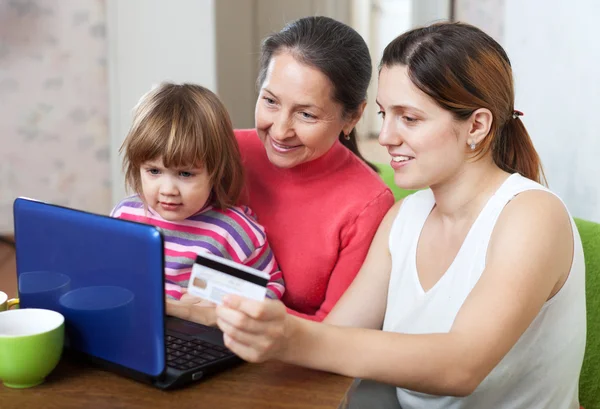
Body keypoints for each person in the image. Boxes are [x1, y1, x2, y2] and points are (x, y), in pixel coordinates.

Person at [212, 22, 586, 409]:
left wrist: (294, 336)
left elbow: (461, 366)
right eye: (383, 113)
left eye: (409, 118)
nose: (387, 136)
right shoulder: (404, 218)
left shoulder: (532, 216)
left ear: (477, 125)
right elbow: (336, 337)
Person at [234, 16, 395, 321]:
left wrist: (225, 314)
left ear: (352, 117)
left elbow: (334, 333)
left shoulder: (367, 204)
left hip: (287, 362)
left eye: (306, 114)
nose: (280, 131)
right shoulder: (220, 152)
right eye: (270, 101)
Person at [111, 83, 285, 322]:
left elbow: (271, 292)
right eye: (153, 171)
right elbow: (112, 277)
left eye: (185, 174)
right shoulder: (124, 216)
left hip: (203, 337)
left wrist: (223, 305)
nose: (168, 190)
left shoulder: (234, 232)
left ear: (215, 172)